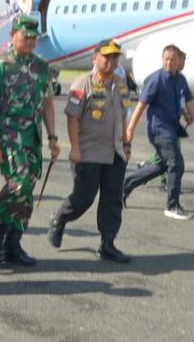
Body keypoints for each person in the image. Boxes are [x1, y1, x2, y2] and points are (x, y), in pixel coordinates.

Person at [0, 15, 60, 266]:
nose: (30, 41)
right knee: (19, 181)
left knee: (28, 189)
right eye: (25, 36)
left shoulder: (41, 66)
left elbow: (47, 102)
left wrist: (52, 137)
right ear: (12, 35)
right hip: (8, 132)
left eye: (34, 37)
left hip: (32, 134)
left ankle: (14, 242)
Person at [47, 40, 132, 262]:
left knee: (113, 199)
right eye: (107, 57)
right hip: (88, 152)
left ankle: (108, 244)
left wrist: (126, 144)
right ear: (95, 58)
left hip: (114, 152)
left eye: (115, 57)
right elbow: (73, 117)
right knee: (83, 197)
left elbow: (122, 116)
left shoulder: (120, 83)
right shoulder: (82, 83)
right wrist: (74, 148)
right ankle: (59, 218)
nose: (112, 61)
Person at [123, 44, 194, 220]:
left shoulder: (180, 80)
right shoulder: (156, 79)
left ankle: (125, 186)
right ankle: (172, 206)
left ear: (179, 61)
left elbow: (189, 101)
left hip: (171, 128)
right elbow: (141, 105)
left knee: (161, 165)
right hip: (159, 130)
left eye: (173, 59)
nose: (169, 62)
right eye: (166, 59)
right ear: (162, 60)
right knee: (176, 163)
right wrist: (130, 129)